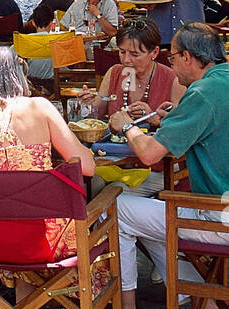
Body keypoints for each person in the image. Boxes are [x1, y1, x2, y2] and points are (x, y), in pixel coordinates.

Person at [114, 22, 229, 309]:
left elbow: (148, 154)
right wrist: (169, 117)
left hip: (228, 217)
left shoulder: (202, 92)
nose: (171, 64)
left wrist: (125, 126)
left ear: (189, 57)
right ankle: (206, 308)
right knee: (145, 217)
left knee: (119, 208)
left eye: (173, 57)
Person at [0, 44, 103, 309]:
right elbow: (86, 167)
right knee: (89, 216)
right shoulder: (40, 107)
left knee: (14, 213)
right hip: (50, 242)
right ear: (17, 72)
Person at [79, 18, 184, 196]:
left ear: (155, 52)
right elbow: (97, 115)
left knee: (112, 194)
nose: (126, 60)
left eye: (135, 54)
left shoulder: (173, 80)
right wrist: (89, 103)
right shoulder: (115, 72)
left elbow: (180, 133)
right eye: (122, 52)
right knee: (85, 186)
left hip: (157, 167)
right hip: (114, 162)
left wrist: (152, 117)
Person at [23, 2, 60, 91]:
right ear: (52, 23)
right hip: (54, 84)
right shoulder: (58, 41)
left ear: (33, 23)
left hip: (30, 84)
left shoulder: (24, 41)